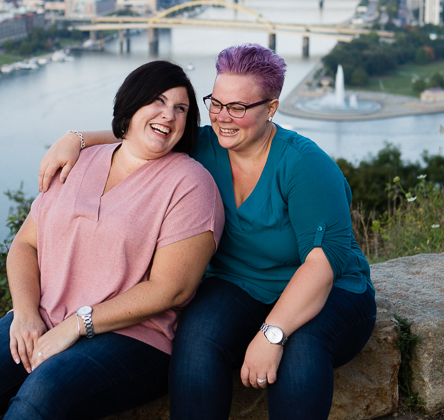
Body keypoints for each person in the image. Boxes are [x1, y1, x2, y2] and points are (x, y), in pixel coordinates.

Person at [38, 44, 376, 420]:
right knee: (196, 341)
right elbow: (141, 134)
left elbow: (321, 266)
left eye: (238, 107)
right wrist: (78, 138)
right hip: (239, 285)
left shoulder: (305, 165)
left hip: (329, 292)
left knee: (302, 351)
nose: (222, 117)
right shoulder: (203, 147)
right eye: (216, 103)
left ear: (271, 108)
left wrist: (271, 334)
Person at [0, 60, 225, 420]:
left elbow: (171, 289)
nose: (168, 115)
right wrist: (23, 314)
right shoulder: (78, 161)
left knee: (42, 394)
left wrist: (76, 325)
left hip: (134, 337)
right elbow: (25, 245)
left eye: (181, 109)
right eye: (157, 101)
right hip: (46, 315)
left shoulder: (190, 184)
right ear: (132, 104)